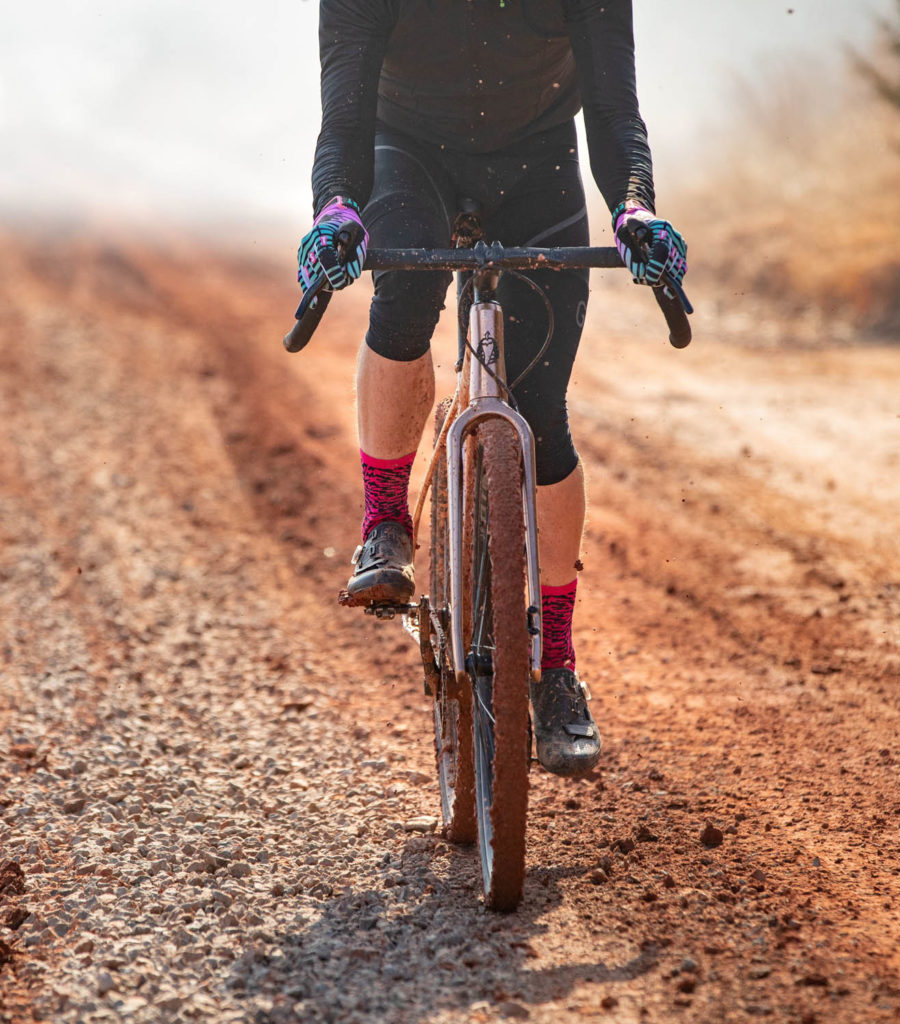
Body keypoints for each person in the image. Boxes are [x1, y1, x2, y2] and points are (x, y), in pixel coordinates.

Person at [296, 0, 687, 777]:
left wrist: (634, 206)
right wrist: (336, 210)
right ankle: (385, 522)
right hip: (405, 150)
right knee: (403, 303)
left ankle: (559, 670)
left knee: (542, 414)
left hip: (537, 162)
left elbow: (613, 109)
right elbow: (344, 109)